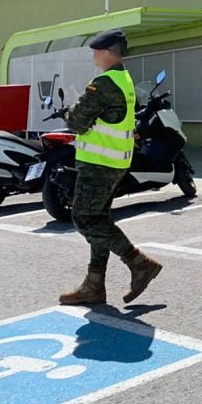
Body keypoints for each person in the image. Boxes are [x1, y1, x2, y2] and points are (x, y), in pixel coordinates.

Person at [58, 28, 163, 306]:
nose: (93, 55)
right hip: (115, 161)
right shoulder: (124, 79)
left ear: (107, 53)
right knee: (99, 219)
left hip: (99, 163)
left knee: (83, 218)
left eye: (96, 51)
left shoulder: (103, 83)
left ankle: (139, 262)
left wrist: (72, 111)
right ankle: (94, 285)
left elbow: (77, 121)